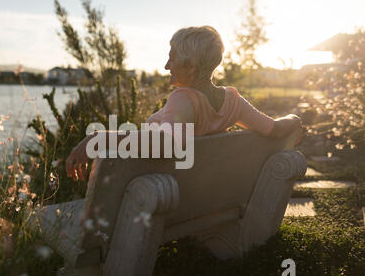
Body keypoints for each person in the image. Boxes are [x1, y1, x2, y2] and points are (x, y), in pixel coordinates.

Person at [66, 26, 303, 181]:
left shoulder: (184, 99)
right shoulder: (233, 102)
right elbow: (274, 128)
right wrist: (294, 120)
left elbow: (167, 144)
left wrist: (99, 137)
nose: (167, 65)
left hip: (160, 196)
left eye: (172, 57)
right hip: (201, 194)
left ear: (191, 67)